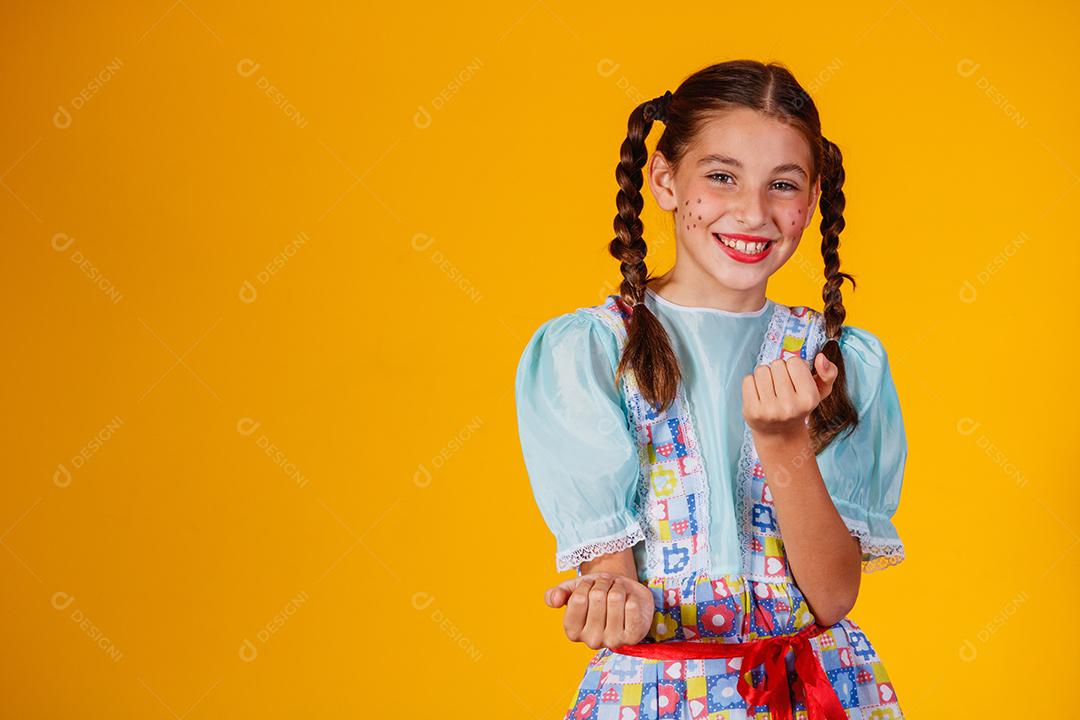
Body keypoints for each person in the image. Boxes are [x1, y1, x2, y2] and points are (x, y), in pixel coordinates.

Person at [513, 60, 908, 719]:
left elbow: (833, 596)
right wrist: (611, 603)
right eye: (721, 177)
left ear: (809, 204)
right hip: (657, 696)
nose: (753, 212)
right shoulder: (590, 353)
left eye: (782, 185)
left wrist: (784, 443)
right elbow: (612, 578)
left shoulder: (840, 359)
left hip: (809, 692)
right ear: (665, 181)